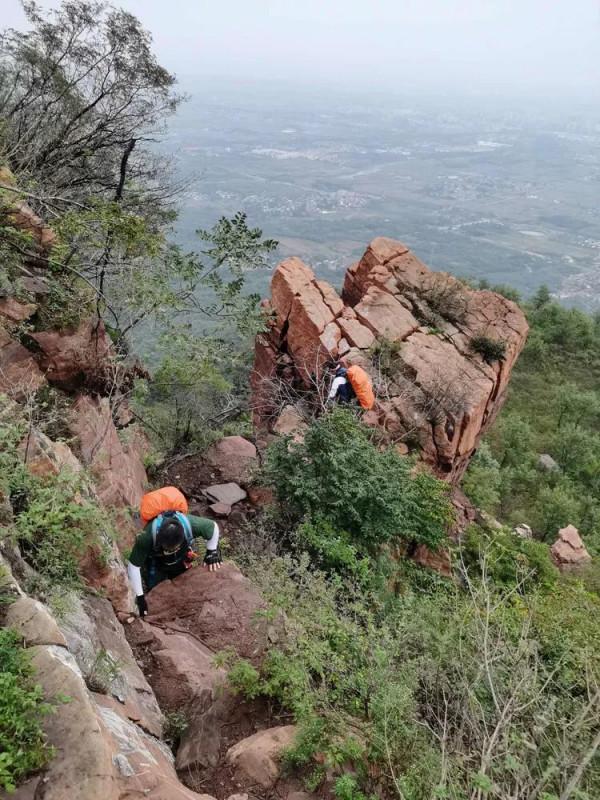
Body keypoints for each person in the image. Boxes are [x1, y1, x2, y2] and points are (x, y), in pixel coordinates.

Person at [127, 510, 221, 617]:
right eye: (168, 548)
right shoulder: (146, 537)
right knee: (154, 587)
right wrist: (140, 597)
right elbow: (133, 566)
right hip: (156, 561)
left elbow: (213, 527)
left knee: (182, 584)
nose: (171, 549)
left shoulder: (191, 524)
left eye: (174, 547)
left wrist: (211, 552)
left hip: (181, 558)